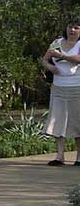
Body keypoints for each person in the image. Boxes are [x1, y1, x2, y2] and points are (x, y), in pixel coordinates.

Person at [42, 20, 80, 165]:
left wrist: (62, 56)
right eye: (70, 27)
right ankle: (60, 156)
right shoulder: (57, 42)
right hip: (58, 88)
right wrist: (50, 67)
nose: (73, 30)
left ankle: (79, 157)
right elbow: (45, 59)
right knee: (57, 121)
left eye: (76, 28)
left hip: (77, 87)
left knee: (77, 123)